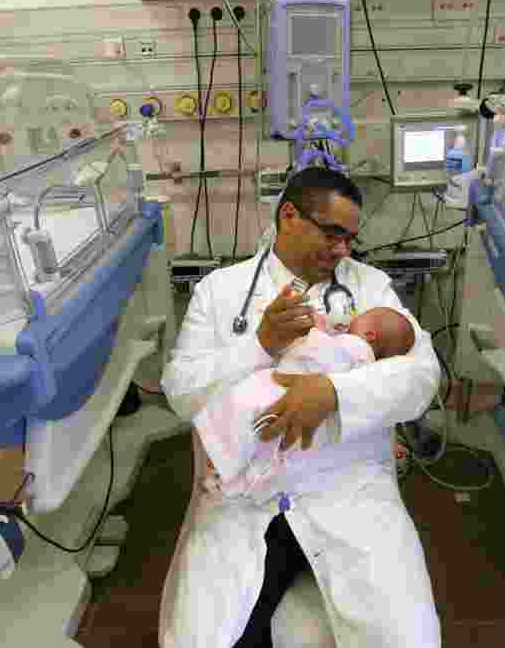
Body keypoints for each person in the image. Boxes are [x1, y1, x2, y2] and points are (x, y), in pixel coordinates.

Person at [159, 166, 442, 648]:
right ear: (288, 216)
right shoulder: (221, 291)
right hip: (243, 498)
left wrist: (334, 395)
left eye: (350, 238)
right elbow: (181, 391)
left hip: (349, 490)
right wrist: (258, 346)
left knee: (407, 640)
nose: (343, 250)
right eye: (333, 234)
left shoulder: (370, 288)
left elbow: (421, 376)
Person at [195, 306, 416, 501]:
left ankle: (222, 461)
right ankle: (231, 477)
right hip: (304, 407)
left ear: (370, 334)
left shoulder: (357, 346)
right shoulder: (365, 361)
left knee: (245, 407)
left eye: (361, 317)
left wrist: (316, 331)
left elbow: (330, 357)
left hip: (285, 389)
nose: (353, 318)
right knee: (266, 446)